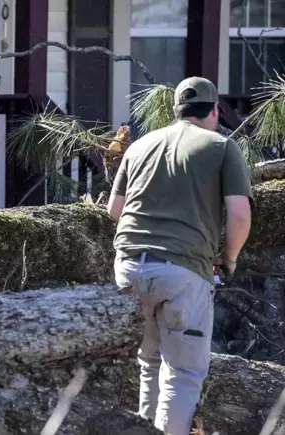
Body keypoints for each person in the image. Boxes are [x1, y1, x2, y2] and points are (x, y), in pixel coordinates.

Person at [107, 77, 253, 435]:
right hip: (183, 272)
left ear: (175, 112)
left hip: (128, 268)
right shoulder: (221, 147)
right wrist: (229, 258)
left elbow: (114, 209)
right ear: (215, 111)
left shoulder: (140, 146)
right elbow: (239, 215)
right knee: (183, 374)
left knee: (149, 365)